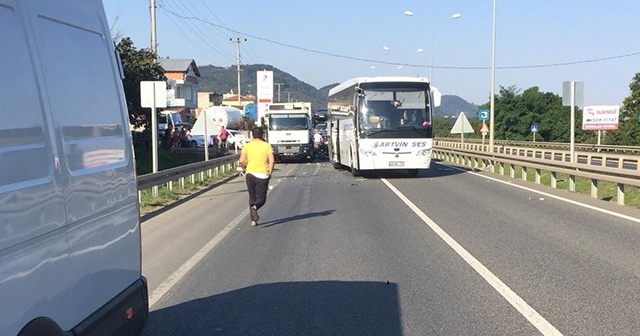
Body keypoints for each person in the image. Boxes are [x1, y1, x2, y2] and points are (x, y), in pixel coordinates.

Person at [239, 127, 275, 227]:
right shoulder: (267, 146)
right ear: (263, 135)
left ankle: (253, 221)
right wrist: (270, 172)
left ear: (252, 135)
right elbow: (272, 161)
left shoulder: (247, 146)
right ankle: (255, 208)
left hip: (250, 173)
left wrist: (245, 167)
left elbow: (241, 160)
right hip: (262, 174)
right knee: (261, 199)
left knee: (252, 196)